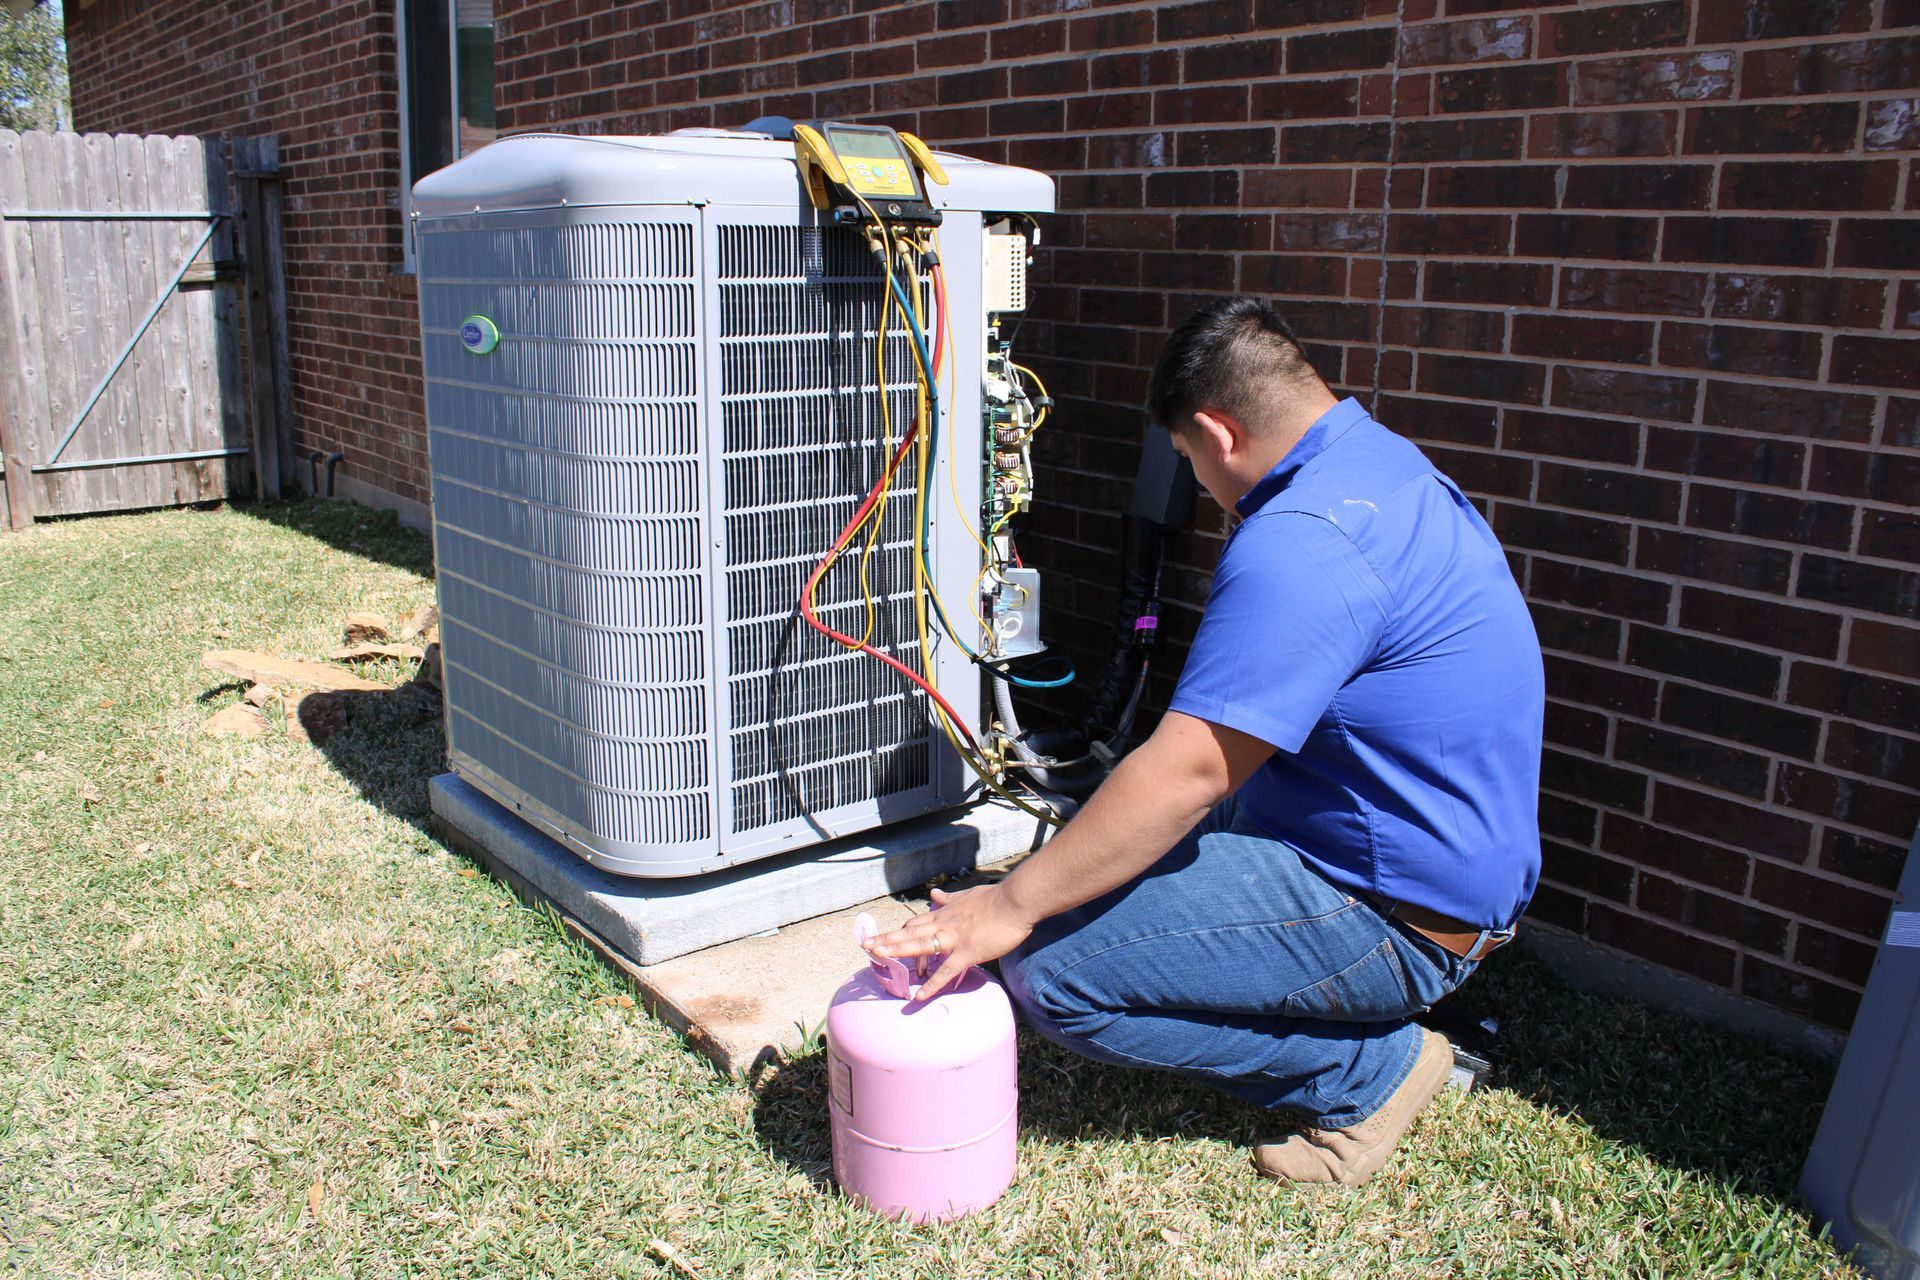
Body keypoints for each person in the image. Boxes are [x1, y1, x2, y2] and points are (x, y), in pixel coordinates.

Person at [867, 297, 1545, 1186]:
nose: (1198, 484)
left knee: (1050, 970)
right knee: (1080, 880)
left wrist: (1009, 906)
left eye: (1187, 460)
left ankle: (1372, 1072)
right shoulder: (1377, 464)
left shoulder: (1303, 541)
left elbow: (1186, 771)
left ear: (1219, 434)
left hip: (1395, 911)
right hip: (1414, 857)